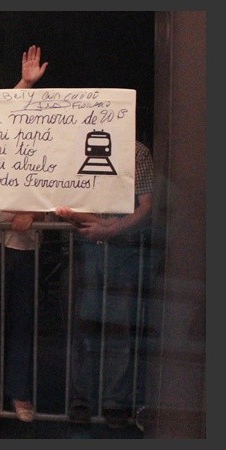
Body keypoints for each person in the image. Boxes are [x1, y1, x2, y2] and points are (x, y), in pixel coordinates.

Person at [0, 45, 47, 423]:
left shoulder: (46, 142)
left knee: (22, 322)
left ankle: (19, 394)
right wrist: (25, 83)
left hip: (28, 245)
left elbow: (62, 187)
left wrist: (36, 212)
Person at [55, 139, 154, 429]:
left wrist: (112, 228)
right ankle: (80, 399)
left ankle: (115, 401)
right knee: (80, 326)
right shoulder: (71, 145)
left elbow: (147, 206)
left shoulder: (137, 151)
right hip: (83, 246)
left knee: (118, 327)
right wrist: (89, 222)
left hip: (122, 250)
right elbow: (59, 199)